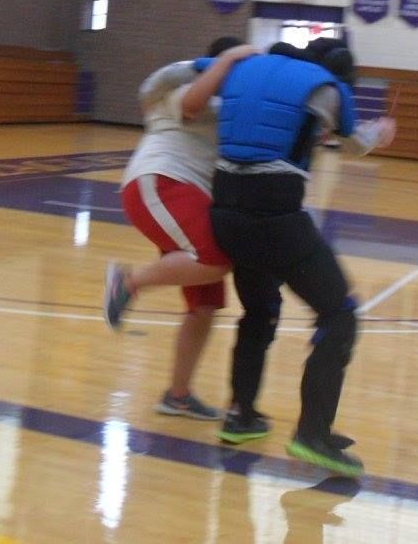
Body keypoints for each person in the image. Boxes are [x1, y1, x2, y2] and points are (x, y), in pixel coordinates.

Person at [204, 38, 396, 477]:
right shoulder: (326, 88)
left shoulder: (249, 70)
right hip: (274, 216)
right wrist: (380, 133)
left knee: (259, 311)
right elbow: (351, 143)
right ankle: (313, 432)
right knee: (339, 314)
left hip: (224, 214)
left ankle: (241, 415)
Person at [103, 37, 259, 421]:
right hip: (160, 183)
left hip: (188, 199)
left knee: (204, 307)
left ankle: (178, 395)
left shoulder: (228, 106)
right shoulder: (182, 92)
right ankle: (129, 281)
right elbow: (191, 105)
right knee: (215, 260)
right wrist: (229, 59)